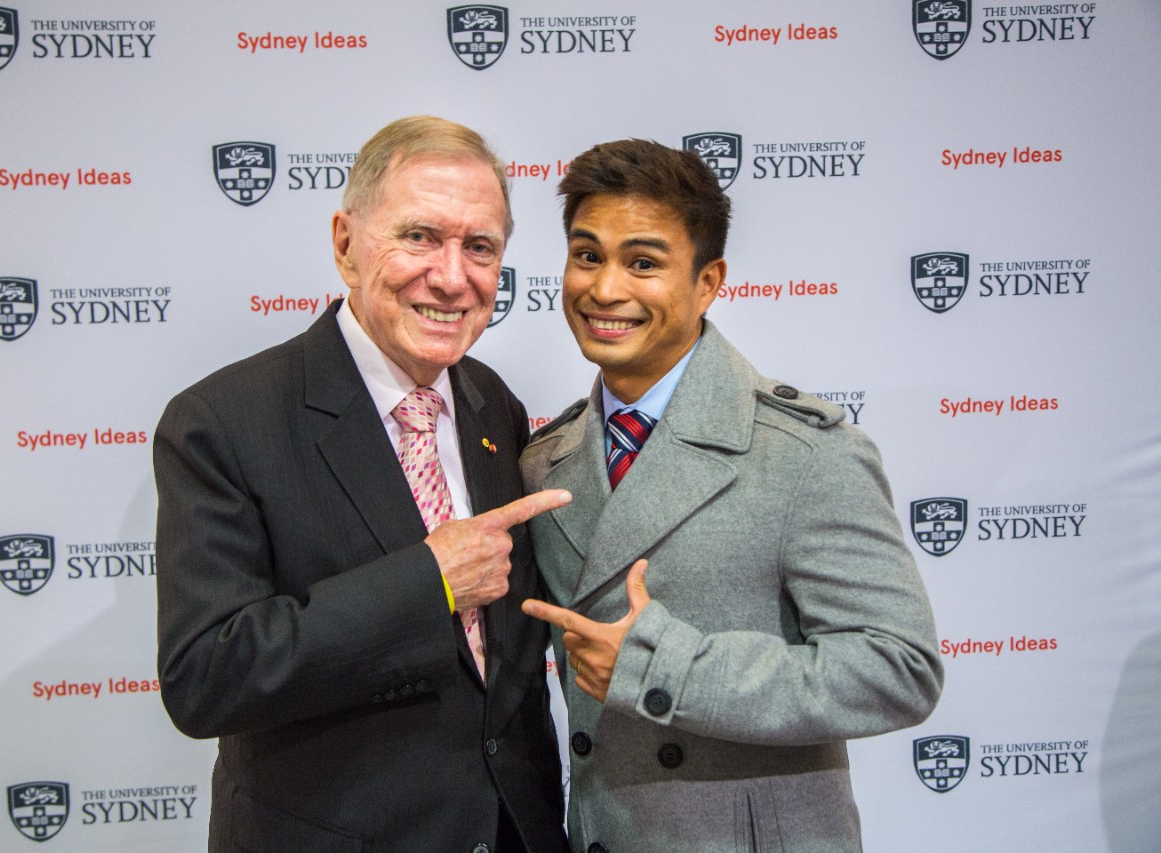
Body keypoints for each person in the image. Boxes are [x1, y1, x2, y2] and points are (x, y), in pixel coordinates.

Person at [154, 115, 570, 853]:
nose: (452, 276)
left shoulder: (491, 403)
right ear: (345, 244)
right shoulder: (222, 421)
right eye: (420, 237)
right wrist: (430, 582)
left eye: (479, 247)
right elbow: (207, 676)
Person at [520, 139, 944, 853]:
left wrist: (666, 669)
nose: (605, 289)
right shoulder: (544, 460)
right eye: (587, 255)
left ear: (708, 282)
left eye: (643, 263)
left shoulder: (805, 452)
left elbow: (899, 669)